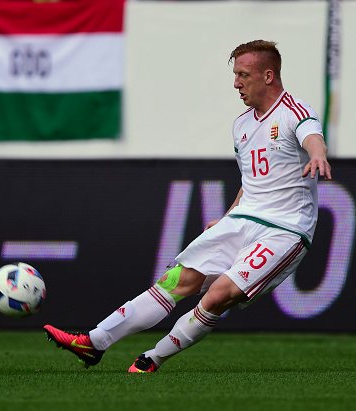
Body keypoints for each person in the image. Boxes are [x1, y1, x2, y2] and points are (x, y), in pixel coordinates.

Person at [44, 39, 332, 373]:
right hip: (242, 220)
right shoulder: (241, 125)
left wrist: (318, 154)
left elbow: (312, 135)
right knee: (175, 280)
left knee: (218, 295)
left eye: (243, 75)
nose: (236, 83)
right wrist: (226, 219)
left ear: (268, 76)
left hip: (284, 229)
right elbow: (250, 181)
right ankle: (93, 342)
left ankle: (153, 358)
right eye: (235, 74)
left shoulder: (294, 110)